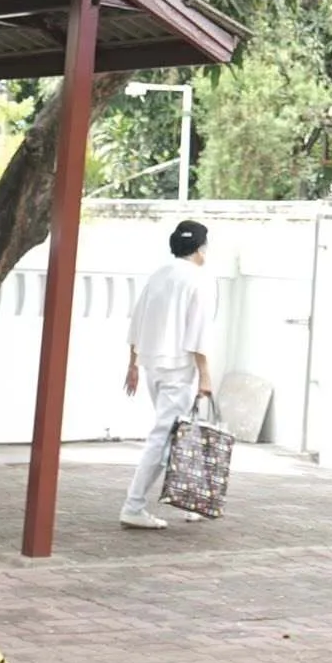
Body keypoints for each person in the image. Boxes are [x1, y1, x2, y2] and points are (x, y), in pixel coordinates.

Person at [119, 218, 213, 530]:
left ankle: (190, 502)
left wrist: (133, 364)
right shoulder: (198, 279)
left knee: (175, 434)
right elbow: (198, 333)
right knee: (163, 437)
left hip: (152, 366)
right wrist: (205, 375)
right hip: (178, 370)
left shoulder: (159, 275)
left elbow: (137, 321)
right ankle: (133, 506)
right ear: (200, 248)